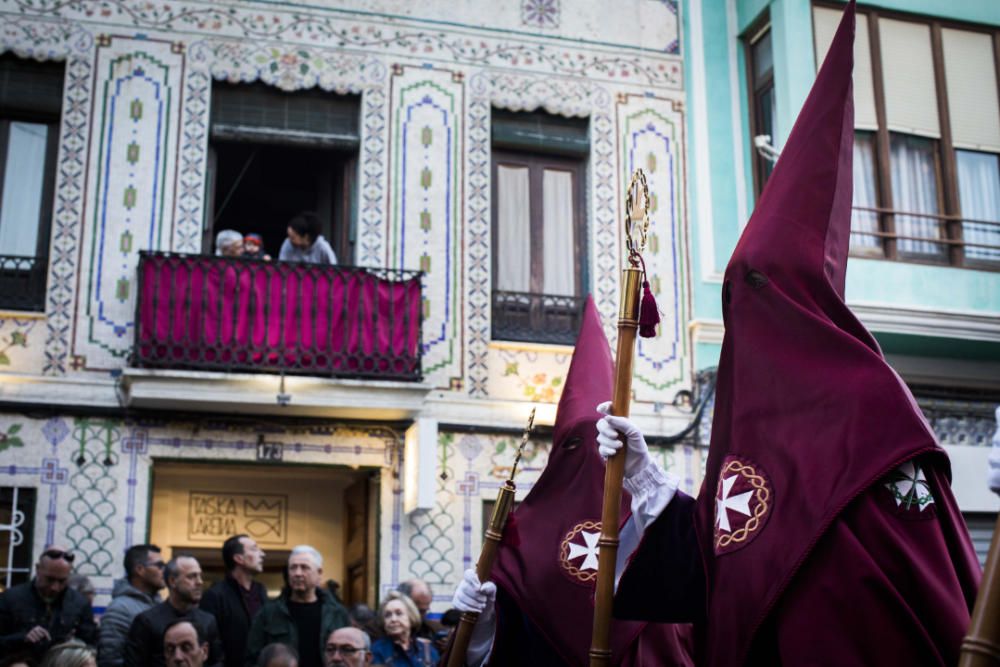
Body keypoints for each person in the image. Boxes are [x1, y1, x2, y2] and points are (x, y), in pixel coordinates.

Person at [597, 5, 978, 666]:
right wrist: (647, 477)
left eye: (757, 290)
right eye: (736, 297)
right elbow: (729, 562)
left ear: (801, 304)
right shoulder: (752, 430)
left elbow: (928, 593)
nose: (744, 319)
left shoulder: (875, 416)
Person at [246, 546, 349, 667]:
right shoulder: (268, 613)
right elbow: (252, 658)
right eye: (293, 568)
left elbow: (348, 656)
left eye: (304, 567)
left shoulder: (337, 613)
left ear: (319, 573)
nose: (297, 573)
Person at [123, 555, 222, 667]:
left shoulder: (208, 621)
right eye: (191, 577)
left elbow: (217, 663)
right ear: (172, 581)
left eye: (200, 576)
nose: (199, 582)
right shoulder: (147, 621)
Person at [0, 546, 97, 659]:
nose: (55, 587)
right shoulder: (10, 599)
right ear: (37, 569)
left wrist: (74, 644)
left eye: (62, 581)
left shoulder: (80, 603)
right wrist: (22, 638)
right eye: (50, 579)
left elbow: (91, 645)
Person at [200, 535, 268, 667]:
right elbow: (211, 644)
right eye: (254, 549)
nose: (262, 554)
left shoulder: (261, 591)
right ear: (239, 558)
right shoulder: (215, 596)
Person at [98, 544, 166, 667]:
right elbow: (110, 660)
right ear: (140, 570)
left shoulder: (159, 604)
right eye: (159, 566)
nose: (164, 571)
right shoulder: (119, 609)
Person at [370, 592, 438, 667]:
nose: (393, 619)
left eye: (399, 613)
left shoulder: (427, 650)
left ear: (411, 617)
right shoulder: (377, 650)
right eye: (388, 615)